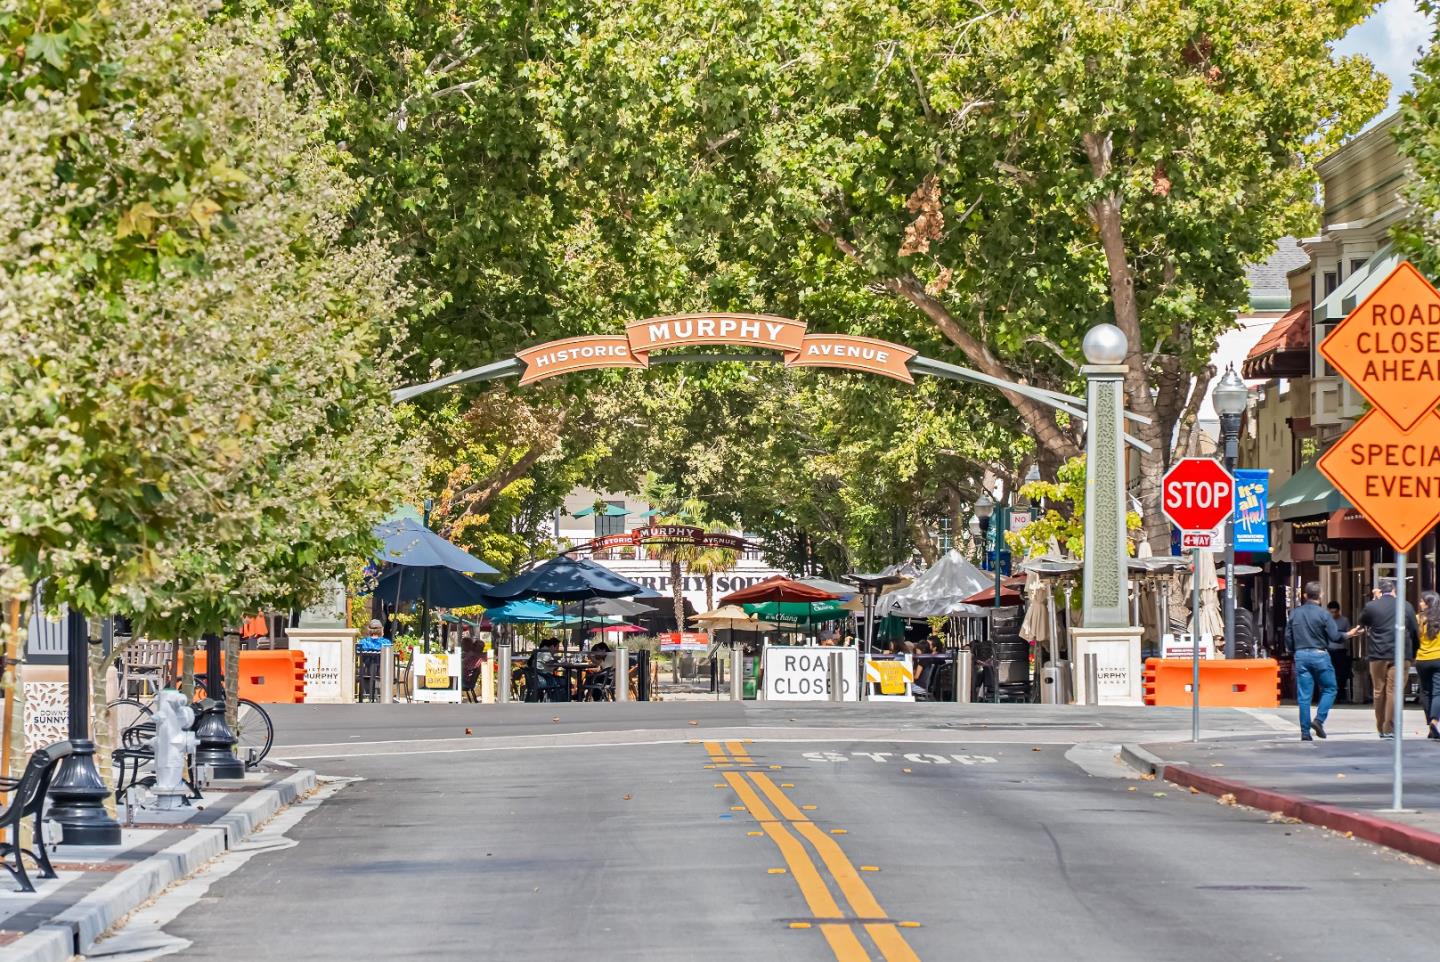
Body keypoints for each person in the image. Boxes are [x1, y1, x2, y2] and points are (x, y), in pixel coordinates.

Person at [1350, 577, 1420, 739]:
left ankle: (1381, 727)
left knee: (1378, 691)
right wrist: (1414, 653)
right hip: (1401, 654)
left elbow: (1362, 624)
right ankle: (1389, 727)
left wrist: (1375, 600)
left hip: (1377, 654)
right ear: (1394, 590)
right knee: (1393, 691)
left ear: (1380, 592)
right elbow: (1415, 633)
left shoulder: (1372, 606)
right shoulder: (1406, 606)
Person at [1284, 581, 1338, 741]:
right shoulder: (1324, 614)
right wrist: (1346, 635)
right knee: (1330, 688)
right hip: (1320, 654)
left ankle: (1305, 732)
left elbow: (1288, 635)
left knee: (1304, 696)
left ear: (1305, 595)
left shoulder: (1295, 613)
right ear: (1320, 596)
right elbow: (1334, 636)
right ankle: (1319, 720)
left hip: (1301, 655)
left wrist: (1293, 650)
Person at [1416, 591, 1440, 740]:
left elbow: (1413, 637)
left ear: (1428, 603)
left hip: (1422, 659)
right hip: (1438, 658)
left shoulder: (1418, 618)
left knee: (1425, 692)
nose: (1419, 603)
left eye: (1422, 601)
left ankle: (1429, 724)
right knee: (1438, 692)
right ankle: (1435, 721)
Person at [1326, 601, 1352, 703]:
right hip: (1329, 650)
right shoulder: (1326, 621)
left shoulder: (1344, 621)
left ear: (1338, 611)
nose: (1333, 614)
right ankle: (1331, 695)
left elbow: (1349, 634)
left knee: (1341, 673)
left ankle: (1340, 695)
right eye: (1331, 612)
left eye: (1335, 612)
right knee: (1330, 673)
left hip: (1341, 650)